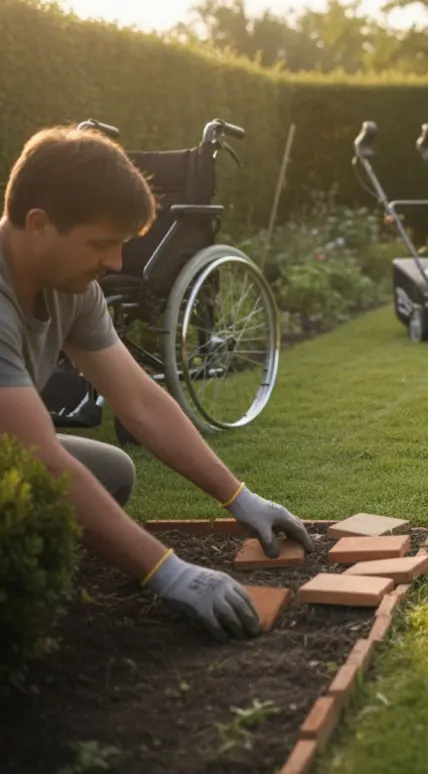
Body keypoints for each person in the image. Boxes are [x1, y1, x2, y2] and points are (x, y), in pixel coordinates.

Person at [0, 124, 315, 642]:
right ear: (38, 224)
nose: (115, 263)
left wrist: (240, 497)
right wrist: (167, 571)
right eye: (101, 243)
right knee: (56, 476)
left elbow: (141, 401)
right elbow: (41, 459)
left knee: (110, 471)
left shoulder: (73, 289)